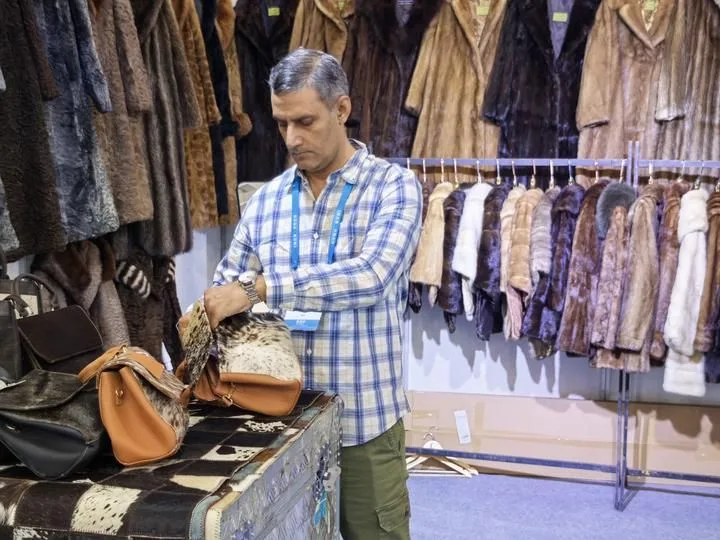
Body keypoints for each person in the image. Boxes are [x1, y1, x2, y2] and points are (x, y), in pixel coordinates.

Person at [182, 48, 421, 539]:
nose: (292, 138)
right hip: (277, 429)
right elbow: (228, 286)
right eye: (282, 123)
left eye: (306, 121)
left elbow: (371, 276)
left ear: (341, 108)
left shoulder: (392, 188)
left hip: (362, 422)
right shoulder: (266, 201)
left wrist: (261, 288)